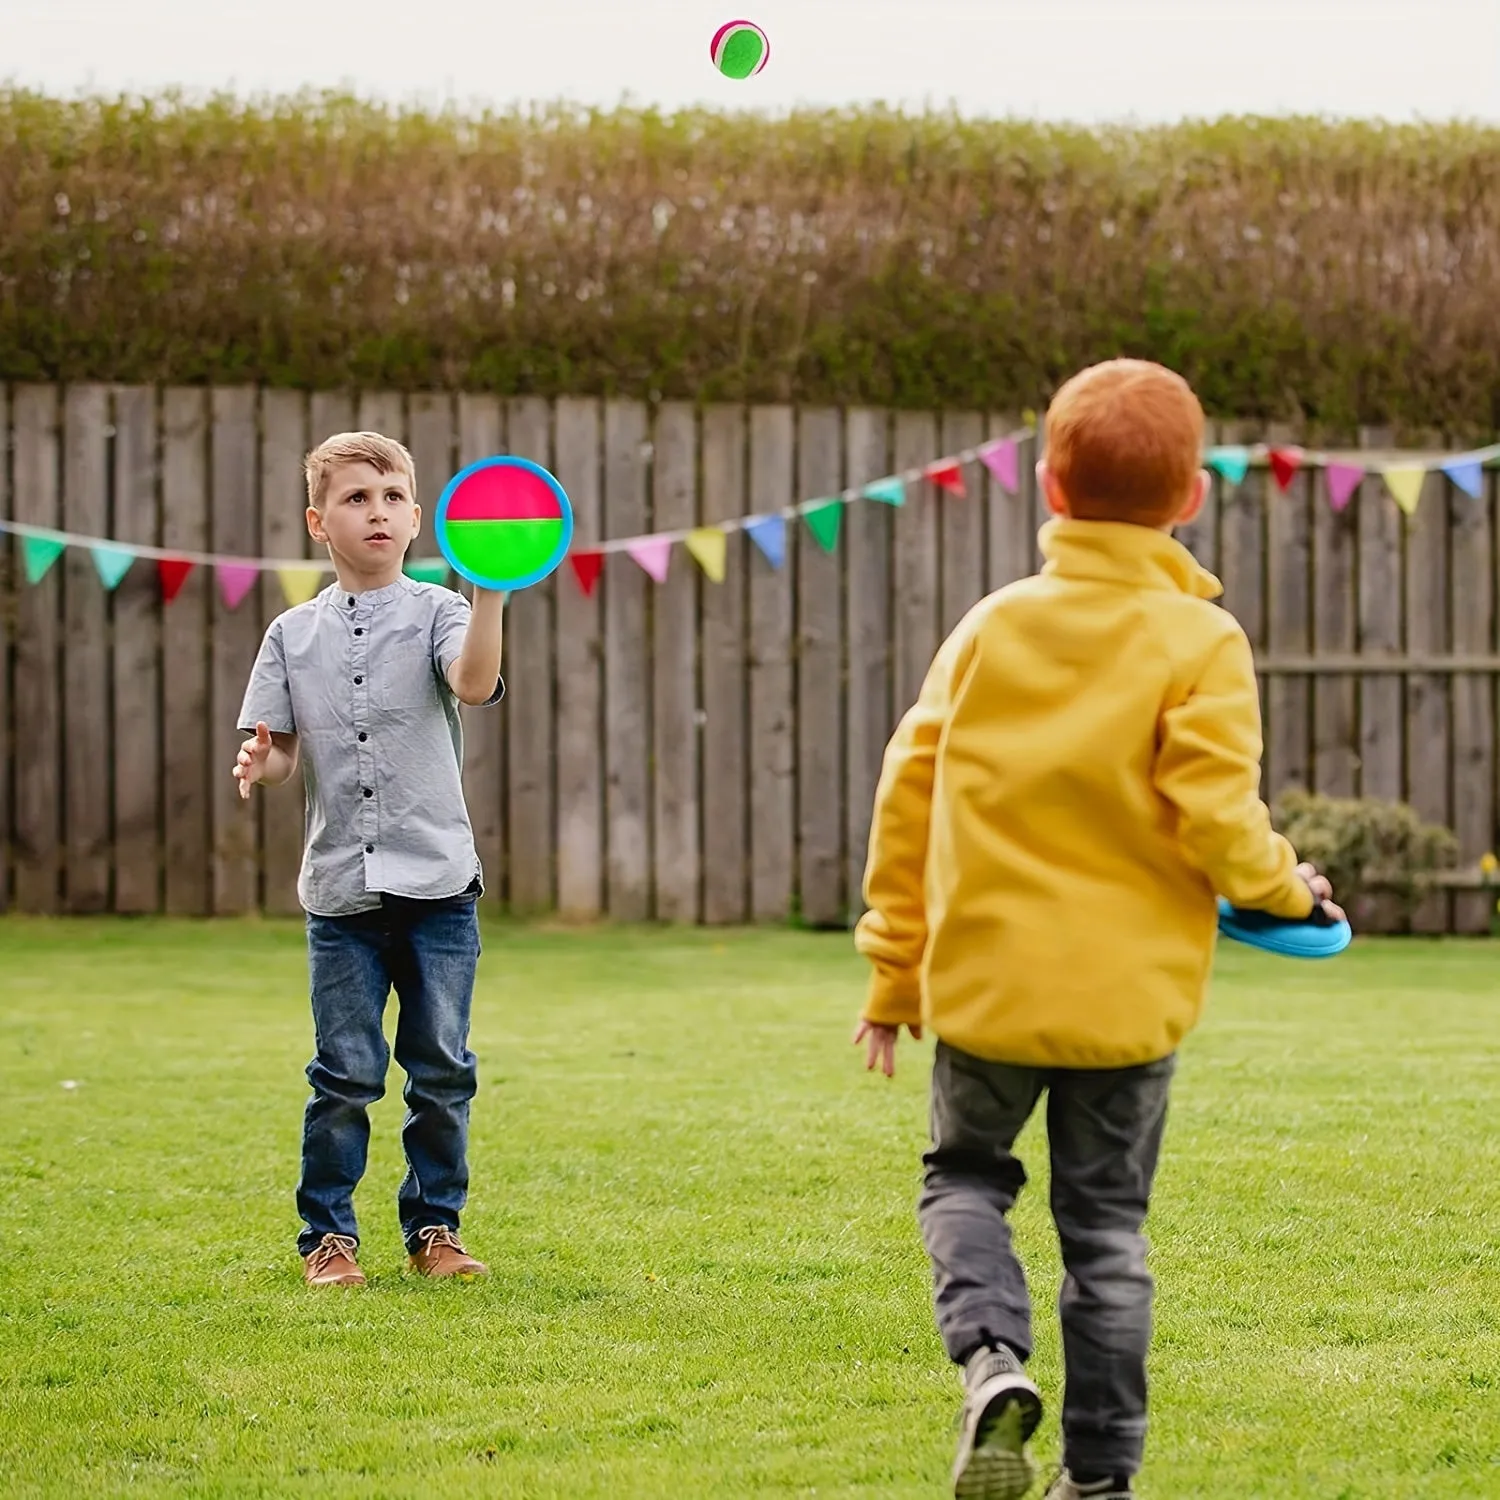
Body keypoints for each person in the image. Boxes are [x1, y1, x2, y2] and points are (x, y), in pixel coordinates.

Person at [851, 361, 1343, 1500]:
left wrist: (893, 972)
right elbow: (1221, 819)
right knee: (1107, 1234)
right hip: (1127, 1008)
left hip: (984, 990)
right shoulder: (1200, 642)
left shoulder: (991, 628)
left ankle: (989, 1365)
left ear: (1050, 488)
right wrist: (1291, 895)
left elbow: (907, 798)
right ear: (1189, 501)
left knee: (966, 1180)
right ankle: (1101, 1477)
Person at [233, 431, 506, 1288]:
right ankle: (328, 1238)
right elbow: (277, 749)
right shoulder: (289, 633)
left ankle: (435, 1228)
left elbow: (470, 684)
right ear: (319, 521)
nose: (376, 512)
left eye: (391, 498)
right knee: (344, 1074)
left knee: (442, 1070)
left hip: (438, 889)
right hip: (340, 896)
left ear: (418, 517)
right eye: (356, 499)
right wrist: (261, 762)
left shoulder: (442, 612)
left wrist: (491, 596)